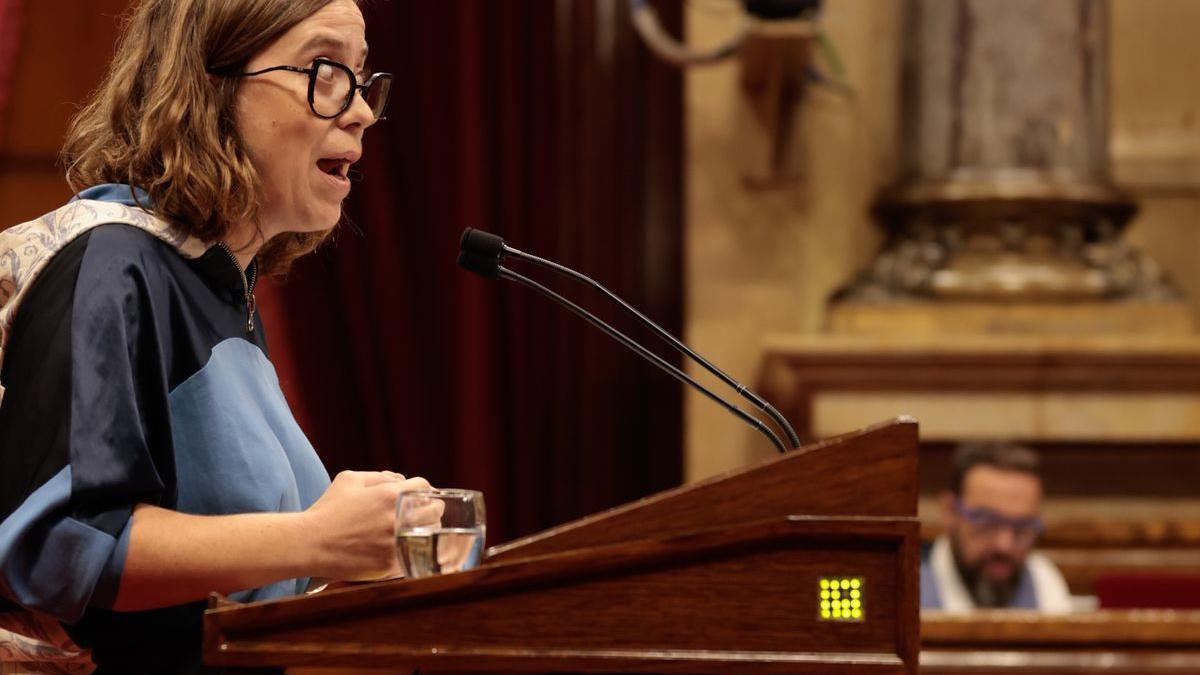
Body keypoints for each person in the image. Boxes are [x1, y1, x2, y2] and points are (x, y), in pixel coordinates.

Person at [0, 1, 427, 671]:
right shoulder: (114, 264)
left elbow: (241, 581)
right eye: (326, 70)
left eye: (362, 76)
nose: (361, 110)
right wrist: (315, 538)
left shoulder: (217, 288)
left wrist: (367, 551)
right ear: (211, 86)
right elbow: (59, 546)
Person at [920, 442, 1072, 613]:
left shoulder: (1041, 580)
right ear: (949, 512)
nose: (1004, 545)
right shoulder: (912, 585)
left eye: (1022, 527)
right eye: (987, 522)